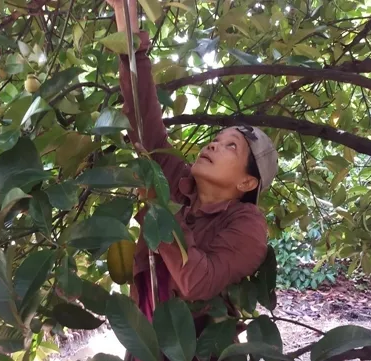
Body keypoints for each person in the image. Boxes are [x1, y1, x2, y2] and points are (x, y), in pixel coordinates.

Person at [107, 0, 278, 346]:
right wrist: (128, 27)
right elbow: (145, 124)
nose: (213, 146)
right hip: (147, 341)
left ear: (247, 182)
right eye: (216, 140)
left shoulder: (248, 227)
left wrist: (159, 209)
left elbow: (197, 281)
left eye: (231, 146)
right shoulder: (177, 182)